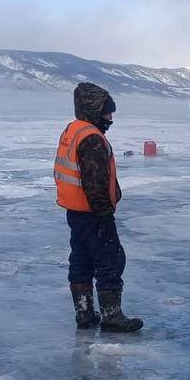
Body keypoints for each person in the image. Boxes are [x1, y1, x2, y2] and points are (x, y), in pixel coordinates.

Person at [54, 82, 143, 332]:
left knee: (81, 260)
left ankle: (84, 314)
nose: (110, 118)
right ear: (94, 111)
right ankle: (111, 315)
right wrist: (105, 217)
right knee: (110, 258)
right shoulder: (92, 139)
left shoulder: (74, 130)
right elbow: (94, 184)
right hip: (93, 213)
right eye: (107, 112)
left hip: (76, 213)